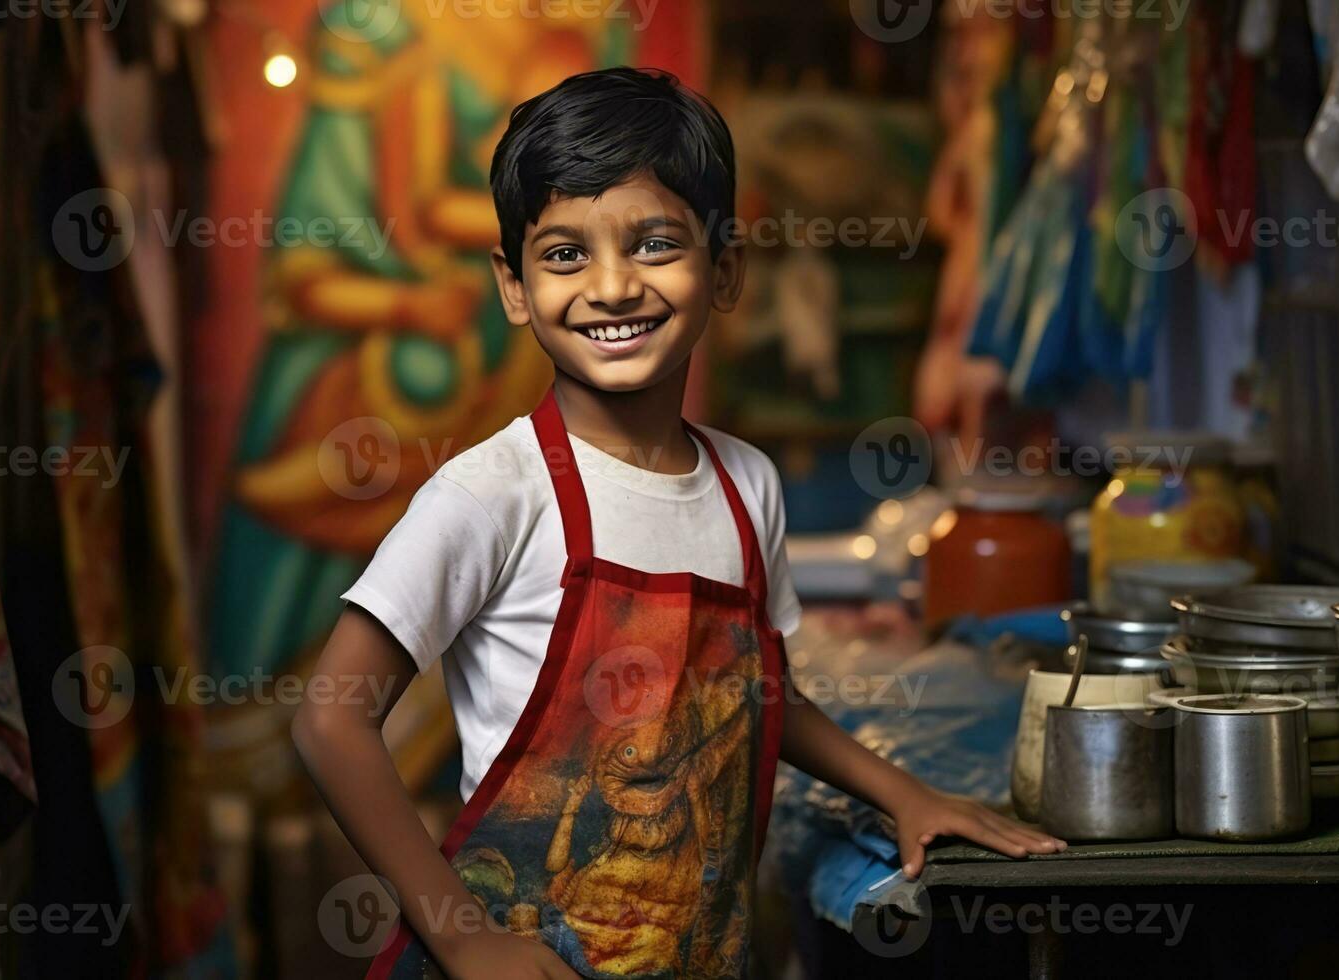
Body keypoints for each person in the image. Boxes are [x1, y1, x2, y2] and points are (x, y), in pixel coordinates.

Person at [293, 67, 1064, 980]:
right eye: (565, 254)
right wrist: (462, 935)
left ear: (725, 268)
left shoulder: (748, 485)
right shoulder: (491, 494)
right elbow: (330, 720)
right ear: (513, 284)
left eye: (654, 243)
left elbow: (759, 691)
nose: (612, 287)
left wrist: (901, 793)